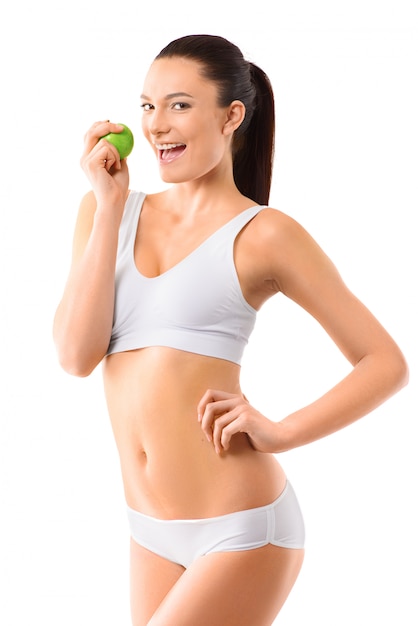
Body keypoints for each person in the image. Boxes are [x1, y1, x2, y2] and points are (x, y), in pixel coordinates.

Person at [53, 34, 408, 626]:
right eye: (147, 106)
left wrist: (281, 432)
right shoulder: (103, 210)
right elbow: (75, 355)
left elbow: (385, 362)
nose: (157, 125)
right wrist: (111, 205)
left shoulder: (265, 234)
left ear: (231, 115)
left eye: (180, 105)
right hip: (149, 532)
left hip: (242, 531)